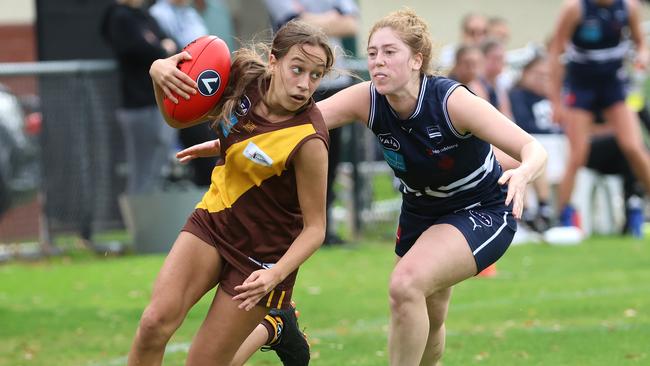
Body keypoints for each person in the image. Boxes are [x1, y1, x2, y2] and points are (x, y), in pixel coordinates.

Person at [173, 9, 548, 365]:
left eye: (389, 52)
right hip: (421, 210)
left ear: (417, 60)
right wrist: (227, 142)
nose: (378, 61)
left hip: (479, 207)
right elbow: (292, 125)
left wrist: (523, 172)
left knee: (406, 286)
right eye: (372, 53)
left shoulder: (452, 102)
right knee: (430, 317)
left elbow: (533, 148)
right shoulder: (368, 98)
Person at [132, 20, 334, 366]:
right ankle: (273, 324)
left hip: (260, 258)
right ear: (274, 61)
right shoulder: (242, 77)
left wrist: (275, 274)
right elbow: (177, 118)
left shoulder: (310, 139)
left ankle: (274, 324)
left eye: (315, 76)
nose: (304, 84)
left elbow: (315, 228)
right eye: (297, 69)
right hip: (213, 223)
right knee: (153, 324)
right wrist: (158, 70)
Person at [263, 0, 360, 245]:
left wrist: (310, 20)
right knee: (286, 158)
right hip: (292, 86)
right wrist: (331, 18)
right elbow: (291, 27)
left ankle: (321, 227)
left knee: (329, 162)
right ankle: (287, 227)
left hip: (333, 85)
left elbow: (350, 25)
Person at [548, 0, 650, 227]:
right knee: (578, 155)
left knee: (633, 147)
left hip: (613, 84)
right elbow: (555, 51)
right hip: (581, 86)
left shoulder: (629, 8)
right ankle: (562, 218)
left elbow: (641, 43)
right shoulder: (574, 9)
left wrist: (642, 56)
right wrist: (556, 101)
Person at [100, 0, 178, 194]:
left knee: (157, 173)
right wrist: (162, 48)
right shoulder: (119, 16)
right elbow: (146, 50)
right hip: (138, 106)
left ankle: (151, 221)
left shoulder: (144, 16)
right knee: (142, 174)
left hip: (160, 103)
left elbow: (169, 43)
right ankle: (138, 223)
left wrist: (162, 47)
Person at [149, 0, 219, 187]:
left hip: (207, 91)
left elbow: (206, 47)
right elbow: (167, 54)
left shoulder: (190, 13)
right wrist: (157, 65)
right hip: (182, 93)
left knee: (212, 161)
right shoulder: (159, 13)